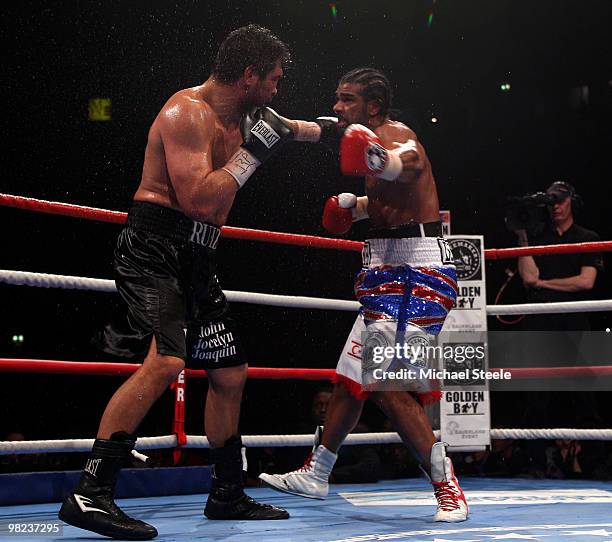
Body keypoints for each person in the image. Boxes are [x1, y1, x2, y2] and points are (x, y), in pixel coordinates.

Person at [57, 24, 325, 539]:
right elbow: (202, 199)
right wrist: (254, 153)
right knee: (166, 359)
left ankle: (227, 493)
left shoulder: (247, 115)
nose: (276, 90)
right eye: (272, 79)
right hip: (155, 247)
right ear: (248, 76)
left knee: (230, 371)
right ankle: (89, 493)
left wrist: (343, 132)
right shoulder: (187, 113)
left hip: (199, 253)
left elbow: (292, 127)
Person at [259, 68, 468, 522]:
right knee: (351, 376)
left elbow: (405, 163)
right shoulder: (359, 133)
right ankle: (317, 471)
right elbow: (328, 132)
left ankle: (447, 486)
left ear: (373, 106)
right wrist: (284, 129)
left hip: (416, 273)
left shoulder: (399, 137)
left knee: (388, 387)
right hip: (385, 270)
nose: (338, 106)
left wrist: (378, 162)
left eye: (347, 100)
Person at [514, 181, 604, 429]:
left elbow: (586, 282)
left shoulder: (588, 238)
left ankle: (593, 464)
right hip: (541, 320)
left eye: (560, 200)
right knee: (537, 395)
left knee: (585, 395)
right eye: (551, 201)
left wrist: (543, 283)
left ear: (571, 202)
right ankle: (536, 466)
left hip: (575, 319)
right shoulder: (536, 238)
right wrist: (522, 237)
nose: (555, 206)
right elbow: (528, 278)